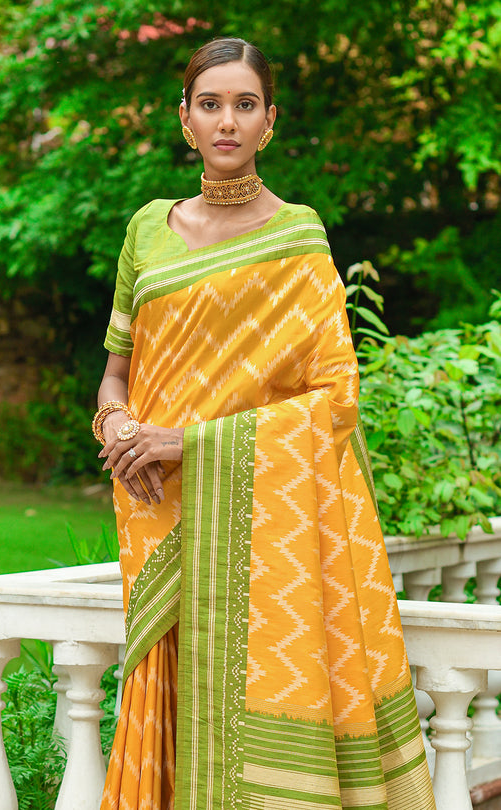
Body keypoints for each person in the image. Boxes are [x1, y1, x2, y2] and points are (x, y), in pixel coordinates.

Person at [94, 37, 436, 810]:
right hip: (160, 512)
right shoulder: (147, 230)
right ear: (185, 120)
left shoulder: (298, 237)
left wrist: (192, 443)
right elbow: (117, 373)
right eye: (210, 104)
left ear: (269, 122)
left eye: (244, 105)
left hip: (259, 524)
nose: (226, 121)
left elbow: (336, 397)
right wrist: (117, 428)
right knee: (169, 711)